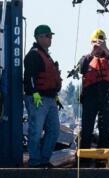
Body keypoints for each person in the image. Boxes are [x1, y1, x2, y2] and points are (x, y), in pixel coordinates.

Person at [23, 24, 62, 167]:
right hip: (38, 99)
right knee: (36, 131)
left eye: (50, 36)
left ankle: (44, 159)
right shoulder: (33, 55)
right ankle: (35, 162)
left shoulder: (47, 56)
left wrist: (56, 97)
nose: (50, 38)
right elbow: (30, 77)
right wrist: (35, 94)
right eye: (48, 36)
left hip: (50, 99)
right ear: (39, 38)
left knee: (54, 130)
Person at [74, 28, 109, 149]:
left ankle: (102, 161)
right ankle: (84, 160)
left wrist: (106, 49)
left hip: (106, 98)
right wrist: (92, 52)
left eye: (101, 42)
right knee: (87, 128)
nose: (99, 45)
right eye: (96, 42)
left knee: (105, 129)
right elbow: (81, 69)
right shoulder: (86, 58)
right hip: (90, 98)